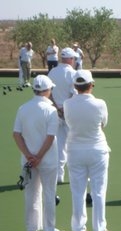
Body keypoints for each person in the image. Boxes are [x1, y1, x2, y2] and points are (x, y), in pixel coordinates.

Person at [13, 75, 67, 231]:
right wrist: (38, 157)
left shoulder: (23, 108)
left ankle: (31, 229)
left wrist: (29, 156)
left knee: (31, 194)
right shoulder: (50, 110)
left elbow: (16, 135)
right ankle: (49, 230)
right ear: (47, 91)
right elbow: (50, 137)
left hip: (28, 161)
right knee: (49, 194)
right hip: (47, 160)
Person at [63, 70, 111, 231]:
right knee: (99, 191)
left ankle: (78, 229)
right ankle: (99, 229)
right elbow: (103, 123)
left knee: (77, 191)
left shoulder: (67, 104)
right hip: (97, 150)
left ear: (76, 86)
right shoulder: (100, 103)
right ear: (91, 85)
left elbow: (69, 122)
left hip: (75, 150)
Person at [48, 47, 77, 183]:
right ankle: (74, 174)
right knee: (72, 144)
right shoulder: (73, 73)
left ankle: (59, 175)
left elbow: (49, 93)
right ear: (70, 59)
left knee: (59, 145)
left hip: (55, 112)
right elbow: (73, 93)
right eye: (74, 58)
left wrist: (57, 107)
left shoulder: (52, 71)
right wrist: (64, 109)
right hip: (69, 113)